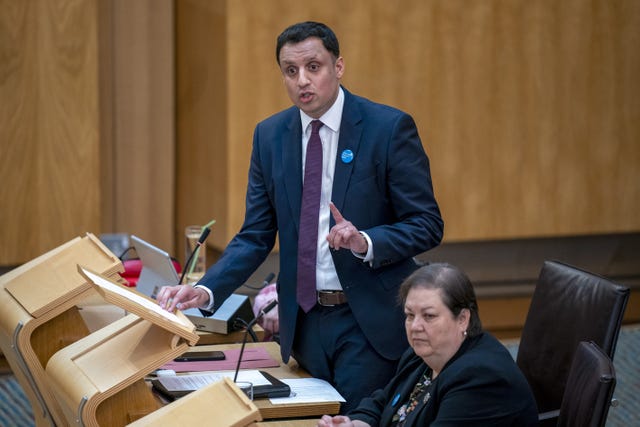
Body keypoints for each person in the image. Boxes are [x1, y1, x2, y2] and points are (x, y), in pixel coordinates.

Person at [156, 21, 444, 413]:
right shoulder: (270, 136)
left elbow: (427, 223)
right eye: (291, 71)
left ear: (338, 67)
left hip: (367, 324)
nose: (302, 81)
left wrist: (367, 242)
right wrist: (206, 291)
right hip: (305, 324)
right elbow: (256, 235)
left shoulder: (387, 128)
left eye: (314, 67)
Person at [317, 263, 539, 426]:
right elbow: (382, 402)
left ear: (463, 319)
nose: (415, 326)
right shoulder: (422, 354)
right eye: (410, 315)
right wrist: (354, 424)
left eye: (429, 316)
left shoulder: (481, 378)